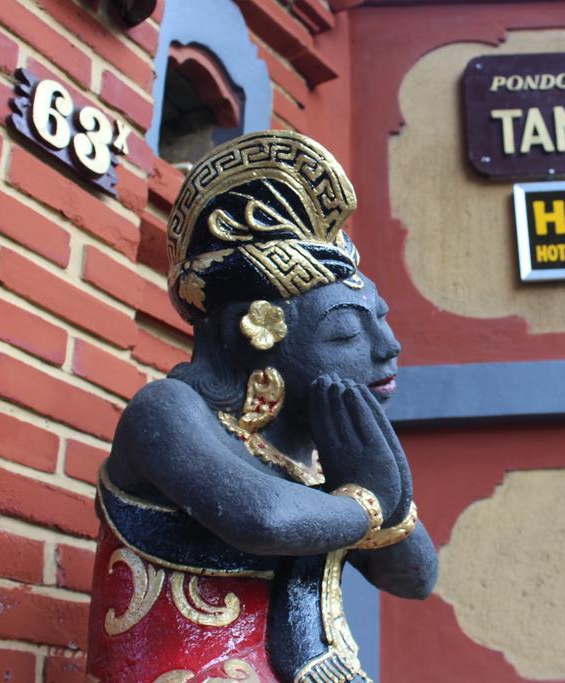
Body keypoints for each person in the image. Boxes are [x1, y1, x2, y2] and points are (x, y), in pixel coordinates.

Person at [86, 130, 438, 683]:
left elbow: (415, 578)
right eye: (345, 333)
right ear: (255, 331)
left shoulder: (318, 460)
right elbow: (263, 519)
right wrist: (370, 502)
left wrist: (385, 500)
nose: (388, 349)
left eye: (382, 320)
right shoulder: (167, 413)